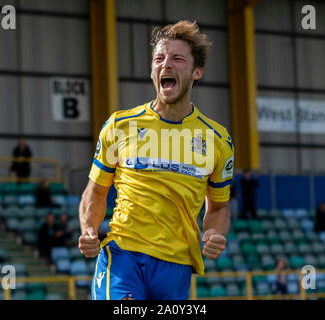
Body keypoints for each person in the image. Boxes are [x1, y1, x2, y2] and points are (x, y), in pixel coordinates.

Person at [78, 21, 233, 300]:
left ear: (197, 72)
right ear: (152, 71)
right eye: (159, 59)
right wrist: (89, 229)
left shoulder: (218, 140)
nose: (166, 65)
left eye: (177, 58)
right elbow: (96, 191)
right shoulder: (119, 126)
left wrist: (213, 234)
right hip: (123, 257)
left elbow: (219, 207)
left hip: (177, 267)